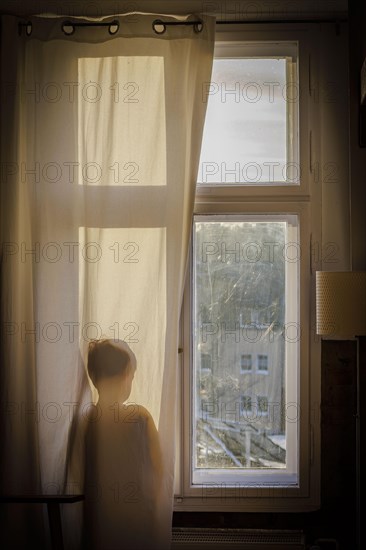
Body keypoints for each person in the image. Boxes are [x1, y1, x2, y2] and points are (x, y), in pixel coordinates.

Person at [82, 339, 163, 550]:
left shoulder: (86, 420)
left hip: (99, 521)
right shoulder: (141, 416)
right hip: (138, 519)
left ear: (94, 377)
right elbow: (159, 469)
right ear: (127, 375)